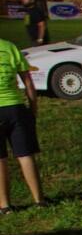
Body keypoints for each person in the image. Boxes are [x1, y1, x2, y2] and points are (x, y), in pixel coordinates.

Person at [0, 38, 44, 213]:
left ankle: (5, 206)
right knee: (25, 155)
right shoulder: (9, 47)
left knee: (0, 159)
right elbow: (28, 84)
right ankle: (39, 200)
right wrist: (32, 110)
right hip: (16, 108)